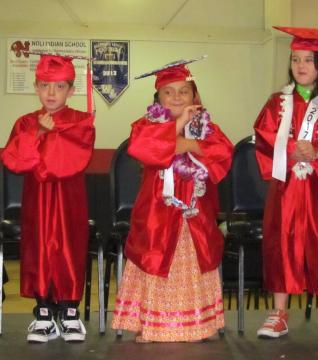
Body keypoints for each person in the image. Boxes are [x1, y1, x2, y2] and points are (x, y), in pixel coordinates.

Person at [111, 58, 233, 343]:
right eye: (169, 91)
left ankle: (198, 325)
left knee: (192, 259)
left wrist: (187, 143)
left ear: (194, 96)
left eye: (183, 91)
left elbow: (222, 155)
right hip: (156, 210)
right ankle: (152, 326)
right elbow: (143, 148)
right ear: (158, 97)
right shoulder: (146, 124)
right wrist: (178, 125)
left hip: (194, 212)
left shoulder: (206, 127)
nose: (177, 97)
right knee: (154, 258)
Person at [254, 27, 318, 338]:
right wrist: (290, 150)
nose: (300, 66)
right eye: (295, 59)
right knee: (282, 242)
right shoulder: (277, 102)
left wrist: (317, 151)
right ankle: (279, 312)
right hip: (287, 187)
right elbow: (263, 136)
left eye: (308, 61)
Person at [1, 54, 95, 342]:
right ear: (36, 87)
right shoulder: (25, 122)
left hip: (69, 198)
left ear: (72, 89)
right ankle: (43, 311)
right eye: (44, 85)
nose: (51, 93)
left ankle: (69, 311)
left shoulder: (81, 121)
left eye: (59, 86)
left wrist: (46, 141)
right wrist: (40, 132)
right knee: (39, 246)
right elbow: (14, 160)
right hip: (37, 198)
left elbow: (71, 160)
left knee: (69, 246)